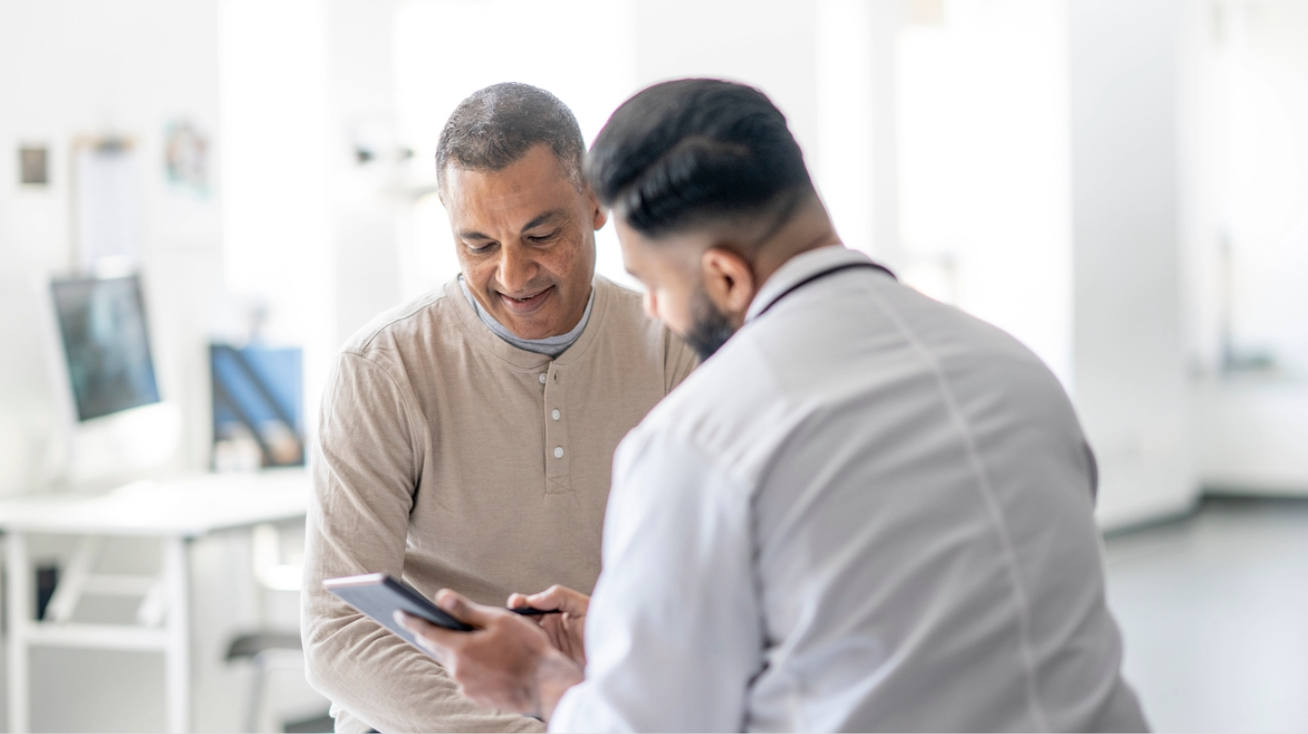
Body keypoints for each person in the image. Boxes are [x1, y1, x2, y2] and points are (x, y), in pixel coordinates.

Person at [398, 79, 1150, 732]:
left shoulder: (702, 440)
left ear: (724, 276)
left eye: (654, 284)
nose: (653, 313)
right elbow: (920, 627)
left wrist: (536, 680)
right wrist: (640, 632)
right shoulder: (1015, 371)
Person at [301, 82, 697, 733]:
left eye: (542, 235)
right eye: (479, 245)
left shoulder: (672, 349)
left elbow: (708, 588)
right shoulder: (380, 372)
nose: (514, 276)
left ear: (594, 201)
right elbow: (338, 635)